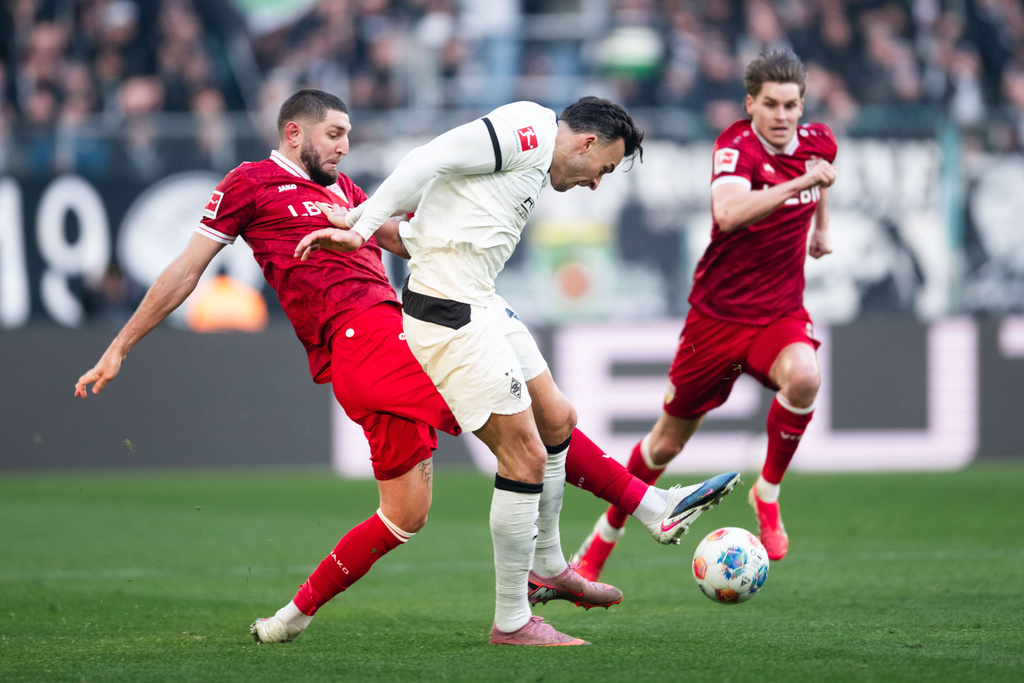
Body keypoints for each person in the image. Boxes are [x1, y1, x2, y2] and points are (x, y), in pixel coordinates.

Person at [74, 88, 735, 648]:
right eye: (332, 135)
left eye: (349, 136)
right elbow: (187, 268)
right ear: (293, 130)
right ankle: (607, 534)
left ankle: (286, 618)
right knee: (531, 430)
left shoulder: (353, 191)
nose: (342, 148)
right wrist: (122, 343)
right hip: (366, 337)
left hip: (395, 329)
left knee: (406, 512)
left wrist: (386, 225)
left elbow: (400, 233)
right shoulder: (250, 183)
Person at [295, 95, 740, 646]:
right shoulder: (527, 129)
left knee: (557, 417)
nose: (595, 184)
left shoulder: (526, 167)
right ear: (586, 143)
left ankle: (582, 547)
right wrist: (362, 227)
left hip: (478, 299)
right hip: (448, 312)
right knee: (524, 456)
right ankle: (512, 620)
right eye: (601, 170)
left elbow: (439, 207)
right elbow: (429, 157)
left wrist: (375, 222)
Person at [573, 50, 839, 583]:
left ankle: (768, 491)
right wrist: (796, 185)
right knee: (666, 443)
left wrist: (820, 229)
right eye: (770, 104)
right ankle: (603, 537)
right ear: (750, 104)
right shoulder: (735, 147)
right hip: (716, 319)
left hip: (779, 314)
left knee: (805, 378)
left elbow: (820, 181)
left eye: (791, 104)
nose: (782, 115)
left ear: (802, 106)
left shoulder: (820, 143)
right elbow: (728, 213)